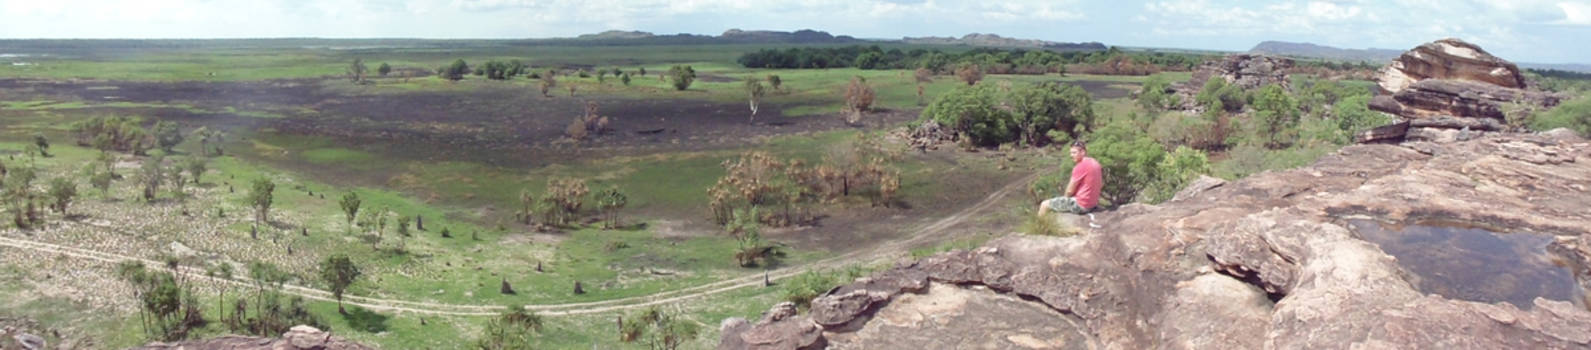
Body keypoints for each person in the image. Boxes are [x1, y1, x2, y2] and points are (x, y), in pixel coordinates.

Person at [1039, 140, 1102, 216]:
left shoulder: (1080, 166)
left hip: (1081, 205)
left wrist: (1065, 200)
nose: (1071, 155)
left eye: (1074, 153)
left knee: (1044, 205)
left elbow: (1069, 191)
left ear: (1083, 152)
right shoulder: (1095, 162)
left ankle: (1040, 226)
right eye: (1071, 153)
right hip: (1093, 204)